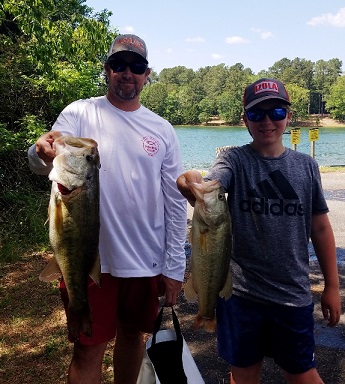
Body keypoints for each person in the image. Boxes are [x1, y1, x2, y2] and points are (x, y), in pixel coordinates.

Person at [28, 34, 187, 384]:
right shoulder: (80, 112)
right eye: (118, 65)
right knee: (87, 348)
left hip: (146, 259)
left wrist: (175, 265)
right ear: (107, 70)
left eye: (136, 66)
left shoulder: (162, 130)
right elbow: (46, 155)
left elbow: (175, 203)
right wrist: (39, 151)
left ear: (147, 74)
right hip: (86, 258)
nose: (126, 73)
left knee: (133, 338)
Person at [177, 78, 341, 384]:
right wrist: (190, 181)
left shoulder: (306, 166)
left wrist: (331, 285)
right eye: (256, 114)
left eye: (276, 112)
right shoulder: (234, 160)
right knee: (243, 374)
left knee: (303, 374)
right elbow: (213, 182)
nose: (267, 121)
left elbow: (320, 227)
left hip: (292, 296)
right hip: (240, 296)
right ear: (245, 121)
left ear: (288, 117)